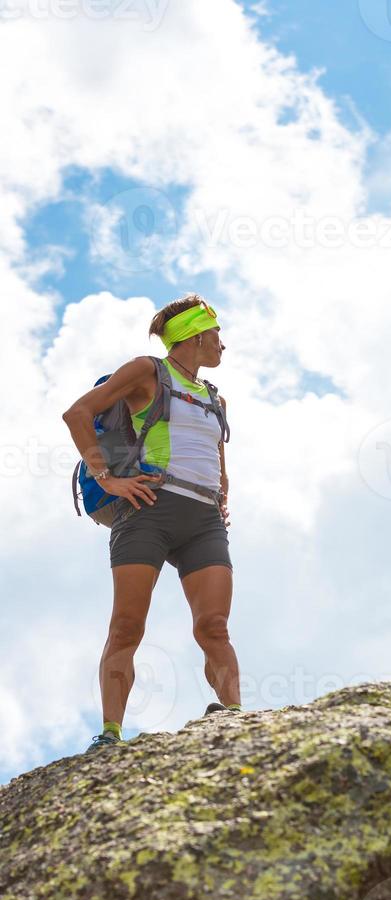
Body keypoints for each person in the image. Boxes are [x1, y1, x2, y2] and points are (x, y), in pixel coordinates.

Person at [60, 294, 241, 753]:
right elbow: (77, 413)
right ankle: (110, 734)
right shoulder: (146, 371)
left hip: (203, 520)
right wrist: (107, 478)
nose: (223, 343)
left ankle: (236, 719)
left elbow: (216, 452)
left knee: (214, 626)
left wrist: (222, 493)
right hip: (148, 510)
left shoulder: (214, 396)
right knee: (127, 626)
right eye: (217, 333)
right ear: (196, 335)